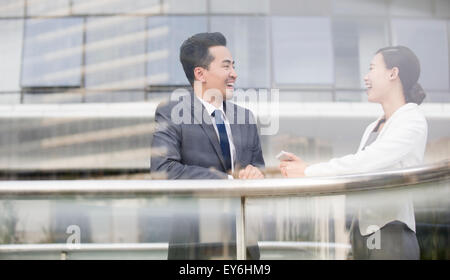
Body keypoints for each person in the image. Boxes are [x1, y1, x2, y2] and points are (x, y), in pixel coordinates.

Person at [279, 46, 427, 260]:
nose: (366, 77)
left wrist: (309, 171)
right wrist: (308, 167)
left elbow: (366, 162)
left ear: (393, 73)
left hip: (392, 234)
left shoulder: (411, 118)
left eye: (372, 68)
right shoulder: (373, 126)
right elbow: (355, 171)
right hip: (365, 235)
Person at [150, 32, 265, 259]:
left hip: (243, 246)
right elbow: (164, 170)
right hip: (195, 247)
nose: (234, 74)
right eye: (226, 67)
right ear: (200, 73)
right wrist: (230, 181)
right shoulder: (172, 113)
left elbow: (258, 168)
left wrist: (256, 173)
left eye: (234, 66)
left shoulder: (246, 118)